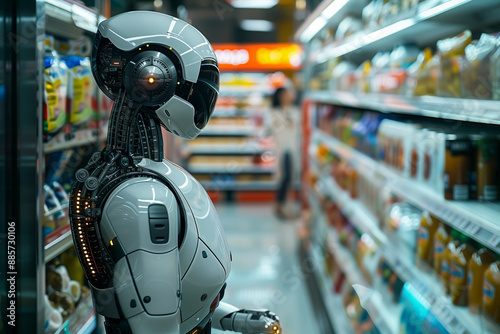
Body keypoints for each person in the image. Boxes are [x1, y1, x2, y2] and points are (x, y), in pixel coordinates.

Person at [270, 86, 300, 219]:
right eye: (284, 95)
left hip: (293, 148)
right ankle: (280, 205)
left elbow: (297, 125)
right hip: (282, 149)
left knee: (289, 177)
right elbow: (274, 126)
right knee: (285, 177)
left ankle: (283, 206)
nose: (287, 97)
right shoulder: (274, 112)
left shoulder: (296, 111)